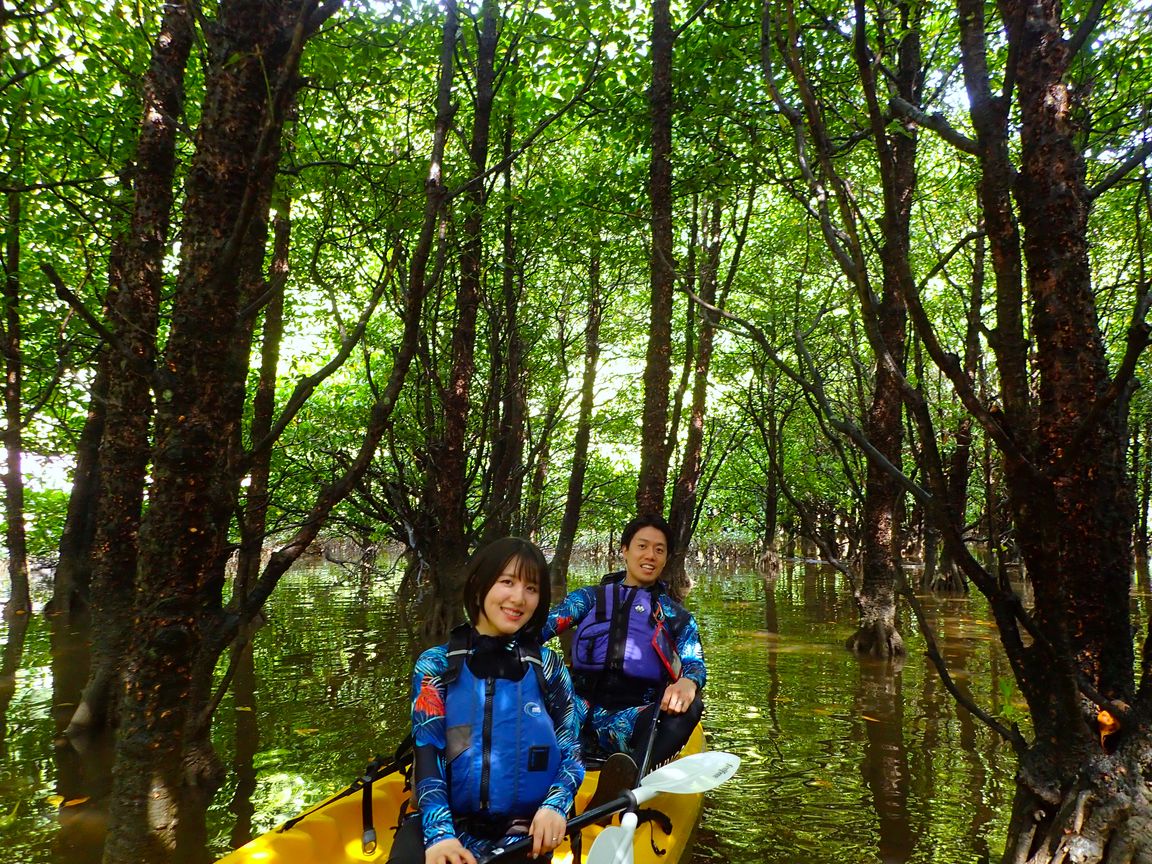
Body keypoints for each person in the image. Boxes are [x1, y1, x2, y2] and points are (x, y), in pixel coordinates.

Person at [389, 538, 585, 864]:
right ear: (480, 584)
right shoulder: (435, 665)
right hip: (447, 826)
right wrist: (439, 836)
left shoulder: (548, 667)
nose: (519, 598)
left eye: (532, 588)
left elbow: (572, 752)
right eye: (507, 582)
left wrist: (555, 806)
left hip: (521, 834)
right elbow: (428, 753)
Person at [541, 514, 706, 777]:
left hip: (628, 722)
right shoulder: (589, 598)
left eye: (659, 550)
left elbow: (694, 663)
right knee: (535, 659)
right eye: (642, 546)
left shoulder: (676, 616)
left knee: (693, 705)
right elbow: (541, 629)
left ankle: (630, 779)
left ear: (665, 559)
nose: (650, 555)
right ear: (625, 550)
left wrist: (690, 682)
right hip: (573, 710)